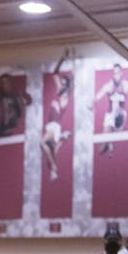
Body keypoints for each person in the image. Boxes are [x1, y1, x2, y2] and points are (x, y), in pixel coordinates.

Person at [42, 52, 73, 181]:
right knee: (51, 150)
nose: (59, 83)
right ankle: (62, 139)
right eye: (60, 82)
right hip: (51, 125)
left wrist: (66, 85)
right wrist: (62, 59)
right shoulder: (59, 93)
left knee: (43, 143)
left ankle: (54, 168)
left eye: (62, 82)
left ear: (66, 86)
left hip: (54, 126)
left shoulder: (64, 98)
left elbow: (65, 87)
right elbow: (55, 73)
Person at [94, 63, 128, 155]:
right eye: (114, 73)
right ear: (113, 74)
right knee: (103, 147)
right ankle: (108, 145)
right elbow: (99, 95)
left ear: (121, 73)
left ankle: (111, 140)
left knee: (118, 110)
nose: (116, 76)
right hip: (110, 115)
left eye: (118, 73)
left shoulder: (126, 85)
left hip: (120, 115)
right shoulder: (109, 85)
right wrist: (92, 103)